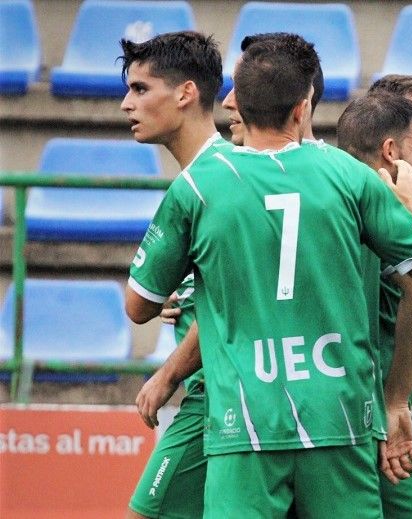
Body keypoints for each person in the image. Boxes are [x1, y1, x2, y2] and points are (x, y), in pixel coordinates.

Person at [124, 35, 412, 518]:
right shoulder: (349, 175)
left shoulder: (198, 186)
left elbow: (139, 306)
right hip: (339, 419)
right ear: (302, 107)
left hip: (244, 420)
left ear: (237, 104)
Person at [118, 30, 229, 519]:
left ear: (186, 93)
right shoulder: (241, 167)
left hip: (217, 397)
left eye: (141, 89)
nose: (126, 104)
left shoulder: (201, 185)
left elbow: (137, 307)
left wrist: (166, 375)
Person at [337, 92, 412, 518]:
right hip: (355, 411)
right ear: (391, 153)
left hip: (351, 410)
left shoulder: (313, 190)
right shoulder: (386, 203)